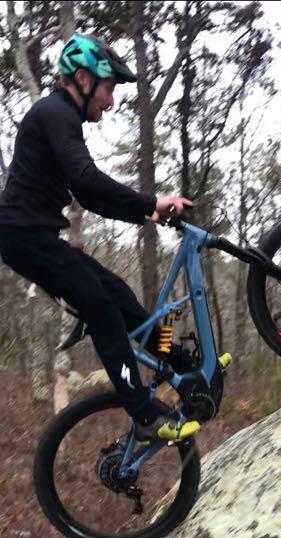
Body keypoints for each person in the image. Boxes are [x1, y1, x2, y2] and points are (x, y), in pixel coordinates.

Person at [0, 32, 200, 442]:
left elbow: (89, 196)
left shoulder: (61, 118)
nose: (111, 101)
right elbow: (87, 182)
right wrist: (152, 201)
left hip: (34, 236)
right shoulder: (55, 114)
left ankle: (176, 359)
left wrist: (150, 211)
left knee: (118, 294)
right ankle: (143, 413)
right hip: (21, 235)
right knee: (100, 304)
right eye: (108, 88)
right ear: (82, 78)